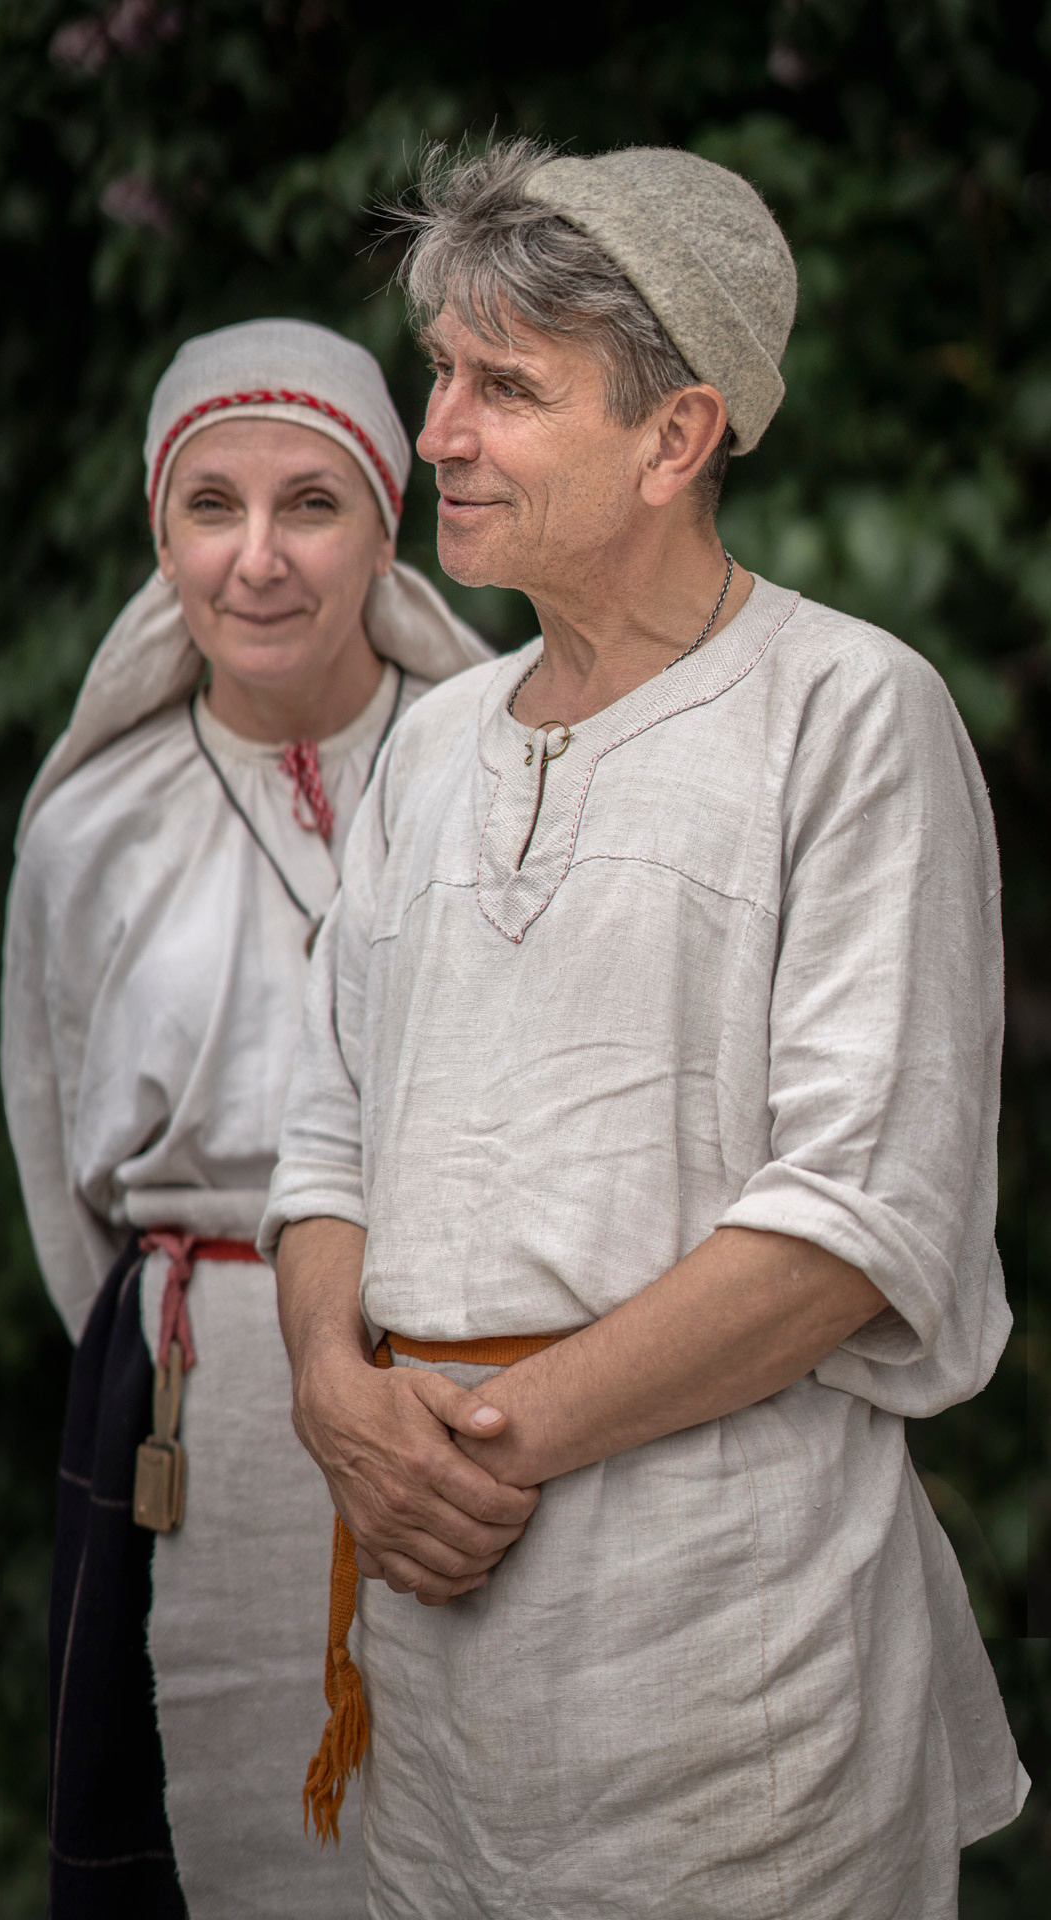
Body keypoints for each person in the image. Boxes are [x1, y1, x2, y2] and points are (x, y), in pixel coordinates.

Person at [260, 142, 1030, 1918]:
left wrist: (461, 1452)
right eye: (438, 374)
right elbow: (326, 1131)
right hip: (440, 1667)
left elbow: (850, 1226)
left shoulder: (848, 715)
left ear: (676, 437)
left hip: (720, 1660)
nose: (434, 432)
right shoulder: (436, 741)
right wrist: (327, 1393)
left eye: (504, 387)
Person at [0, 317, 488, 1918]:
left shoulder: (496, 778)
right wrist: (184, 1337)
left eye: (312, 504)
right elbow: (50, 1145)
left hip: (472, 1390)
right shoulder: (89, 829)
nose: (259, 559)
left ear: (386, 525)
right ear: (163, 535)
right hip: (181, 1400)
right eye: (212, 506)